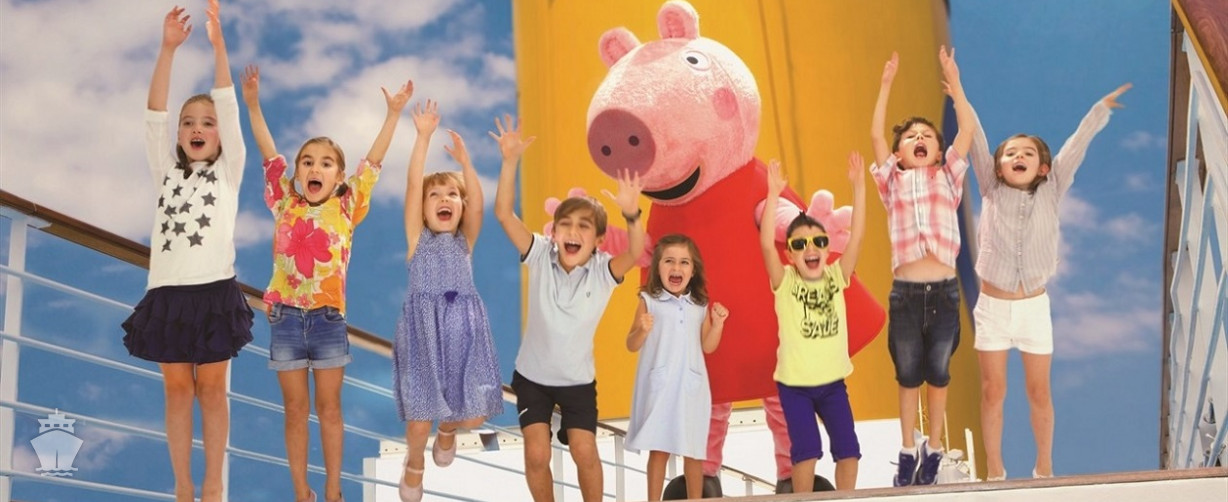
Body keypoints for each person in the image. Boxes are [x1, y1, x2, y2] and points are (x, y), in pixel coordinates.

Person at [241, 64, 412, 502]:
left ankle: (334, 488)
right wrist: (254, 105)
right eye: (308, 162)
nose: (315, 168)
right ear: (298, 173)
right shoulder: (285, 201)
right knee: (295, 409)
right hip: (285, 317)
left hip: (328, 318)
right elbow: (268, 153)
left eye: (326, 163)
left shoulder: (348, 204)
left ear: (338, 176)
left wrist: (393, 114)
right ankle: (302, 490)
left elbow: (373, 163)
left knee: (330, 408)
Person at [121, 2, 251, 500]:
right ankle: (182, 485)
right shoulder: (166, 170)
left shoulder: (229, 170)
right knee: (177, 391)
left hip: (215, 292)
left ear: (220, 136)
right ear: (179, 135)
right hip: (168, 295)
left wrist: (218, 47)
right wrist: (167, 49)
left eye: (208, 123)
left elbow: (229, 105)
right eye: (189, 123)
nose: (198, 128)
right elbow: (153, 116)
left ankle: (214, 482)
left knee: (212, 390)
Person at [968, 83, 1132, 481]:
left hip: (1034, 309)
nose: (1018, 157)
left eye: (1028, 153)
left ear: (1043, 167)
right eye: (1011, 153)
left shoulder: (1053, 186)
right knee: (993, 391)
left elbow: (1076, 145)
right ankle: (995, 469)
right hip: (993, 308)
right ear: (998, 167)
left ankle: (1044, 466)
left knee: (1039, 392)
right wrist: (957, 92)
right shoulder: (990, 187)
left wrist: (1100, 109)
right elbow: (975, 136)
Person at [493, 114, 647, 502]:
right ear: (554, 231)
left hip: (577, 381)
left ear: (598, 241)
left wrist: (631, 213)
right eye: (566, 224)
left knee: (584, 451)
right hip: (532, 377)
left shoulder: (602, 271)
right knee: (536, 454)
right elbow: (504, 214)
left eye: (584, 227)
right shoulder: (540, 254)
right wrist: (510, 161)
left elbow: (635, 252)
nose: (573, 232)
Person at [869, 47, 975, 487]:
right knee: (908, 373)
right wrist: (885, 85)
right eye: (910, 136)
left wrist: (956, 84)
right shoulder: (892, 182)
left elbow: (967, 129)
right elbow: (876, 137)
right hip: (907, 294)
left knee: (939, 373)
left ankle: (933, 447)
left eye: (927, 136)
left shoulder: (947, 176)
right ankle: (907, 448)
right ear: (899, 153)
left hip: (944, 291)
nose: (919, 138)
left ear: (937, 151)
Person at [393, 100, 504, 501]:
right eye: (436, 195)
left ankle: (449, 429)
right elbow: (412, 186)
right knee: (419, 417)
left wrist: (466, 164)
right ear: (423, 210)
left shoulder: (464, 242)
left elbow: (479, 204)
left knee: (471, 412)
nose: (445, 199)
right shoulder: (416, 239)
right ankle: (415, 463)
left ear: (461, 206)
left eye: (453, 194)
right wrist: (422, 137)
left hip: (464, 331)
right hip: (423, 333)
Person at [759, 153, 867, 492]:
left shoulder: (837, 275)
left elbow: (857, 236)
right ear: (790, 254)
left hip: (833, 383)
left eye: (819, 241)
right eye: (800, 244)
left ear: (828, 248)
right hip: (795, 387)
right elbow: (766, 245)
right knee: (806, 452)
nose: (811, 248)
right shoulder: (785, 281)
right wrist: (773, 194)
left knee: (848, 451)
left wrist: (859, 187)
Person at [625, 234, 728, 500]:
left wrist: (717, 325)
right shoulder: (649, 300)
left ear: (693, 270)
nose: (676, 267)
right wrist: (642, 330)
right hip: (660, 387)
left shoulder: (700, 306)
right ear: (658, 267)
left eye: (684, 262)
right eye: (669, 261)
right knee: (659, 448)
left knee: (693, 451)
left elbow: (708, 346)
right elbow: (631, 344)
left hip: (691, 389)